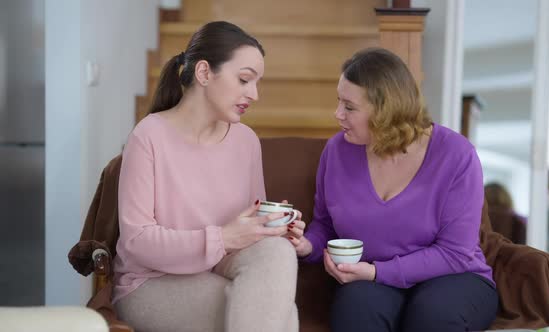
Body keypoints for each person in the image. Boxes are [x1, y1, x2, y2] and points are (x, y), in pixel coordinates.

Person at [287, 48, 498, 332]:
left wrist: (378, 272)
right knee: (354, 309)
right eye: (339, 102)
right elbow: (326, 226)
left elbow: (455, 253)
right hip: (373, 278)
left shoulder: (456, 155)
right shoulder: (336, 151)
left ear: (386, 110)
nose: (337, 114)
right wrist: (306, 245)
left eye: (349, 107)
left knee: (432, 315)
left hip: (454, 276)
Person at [112, 21, 299, 332]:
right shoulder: (149, 137)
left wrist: (275, 229)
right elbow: (137, 242)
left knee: (277, 253)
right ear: (203, 73)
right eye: (244, 80)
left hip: (220, 266)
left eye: (256, 83)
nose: (254, 94)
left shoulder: (246, 141)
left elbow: (247, 227)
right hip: (153, 281)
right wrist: (222, 237)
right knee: (280, 314)